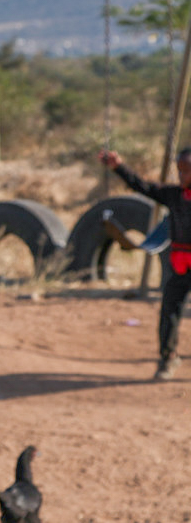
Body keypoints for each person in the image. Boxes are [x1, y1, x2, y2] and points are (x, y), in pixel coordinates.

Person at [99, 147, 191, 380]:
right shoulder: (174, 196)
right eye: (179, 171)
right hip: (180, 267)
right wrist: (118, 166)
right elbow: (142, 186)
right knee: (169, 313)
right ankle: (167, 359)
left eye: (187, 171)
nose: (181, 177)